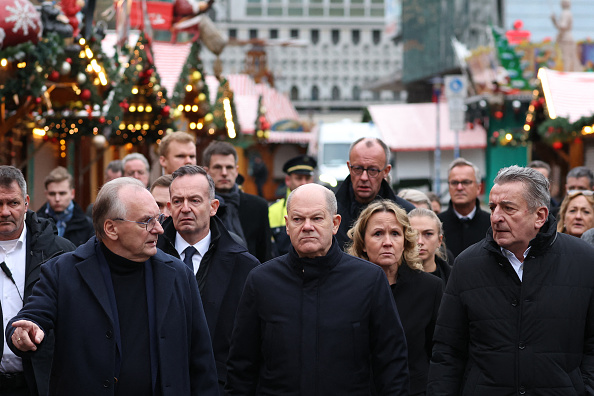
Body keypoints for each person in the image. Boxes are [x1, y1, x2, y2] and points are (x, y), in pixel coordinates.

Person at [7, 177, 219, 395]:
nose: (159, 229)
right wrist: (25, 332)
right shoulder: (63, 272)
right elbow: (32, 318)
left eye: (159, 219)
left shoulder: (178, 274)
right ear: (111, 228)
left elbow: (201, 359)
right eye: (146, 221)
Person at [226, 183, 409, 395]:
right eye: (298, 219)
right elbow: (241, 367)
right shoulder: (261, 281)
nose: (307, 226)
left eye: (316, 218)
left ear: (335, 223)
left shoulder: (368, 280)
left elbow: (391, 364)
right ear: (287, 225)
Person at [427, 166, 594, 395]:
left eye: (508, 208)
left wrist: (583, 389)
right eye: (493, 207)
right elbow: (447, 351)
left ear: (540, 216)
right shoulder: (467, 265)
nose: (496, 217)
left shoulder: (584, 260)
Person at [156, 165, 259, 393]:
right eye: (177, 201)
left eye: (194, 200)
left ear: (213, 207)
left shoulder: (245, 267)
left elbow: (250, 345)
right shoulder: (146, 259)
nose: (185, 208)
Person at [347, 200, 443, 396]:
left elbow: (440, 353)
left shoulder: (430, 288)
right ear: (363, 243)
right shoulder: (346, 289)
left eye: (395, 234)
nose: (388, 242)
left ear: (405, 241)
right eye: (378, 234)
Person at [0, 166, 75, 396]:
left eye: (12, 203)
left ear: (26, 203)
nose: (4, 212)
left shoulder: (60, 252)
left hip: (42, 383)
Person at [335, 137, 415, 249]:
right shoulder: (330, 212)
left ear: (386, 171)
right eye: (358, 169)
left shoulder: (407, 213)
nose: (364, 177)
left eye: (372, 170)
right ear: (349, 167)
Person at [203, 141, 271, 262]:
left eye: (229, 167)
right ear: (206, 171)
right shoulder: (201, 206)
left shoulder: (258, 206)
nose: (224, 173)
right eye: (218, 167)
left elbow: (265, 254)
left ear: (236, 170)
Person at [438, 158, 490, 258]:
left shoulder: (492, 224)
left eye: (466, 182)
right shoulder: (437, 225)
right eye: (454, 183)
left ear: (479, 188)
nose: (459, 187)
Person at [268, 154, 317, 256]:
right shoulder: (272, 211)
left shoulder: (324, 209)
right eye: (299, 178)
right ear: (288, 180)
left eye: (307, 178)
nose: (304, 183)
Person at [36, 166, 94, 247]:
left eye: (62, 193)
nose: (57, 199)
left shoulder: (88, 226)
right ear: (46, 194)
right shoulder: (35, 224)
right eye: (52, 194)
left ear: (72, 193)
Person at [408, 208, 451, 285]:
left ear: (439, 240)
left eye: (428, 234)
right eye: (413, 234)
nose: (420, 242)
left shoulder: (454, 277)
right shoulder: (392, 278)